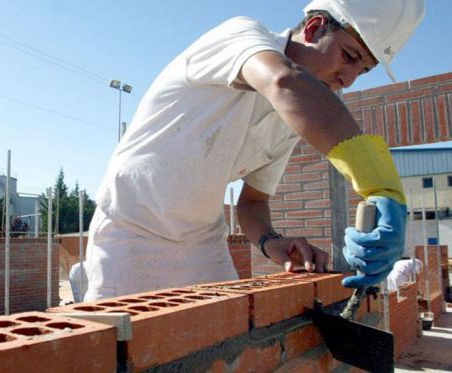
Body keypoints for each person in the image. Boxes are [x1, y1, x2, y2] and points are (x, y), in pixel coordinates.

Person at [83, 0, 426, 301]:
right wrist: (379, 182)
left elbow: (253, 201)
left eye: (362, 71)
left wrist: (272, 242)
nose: (348, 79)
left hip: (202, 243)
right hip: (130, 232)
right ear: (314, 26)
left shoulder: (289, 117)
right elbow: (282, 80)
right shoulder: (241, 35)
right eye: (348, 57)